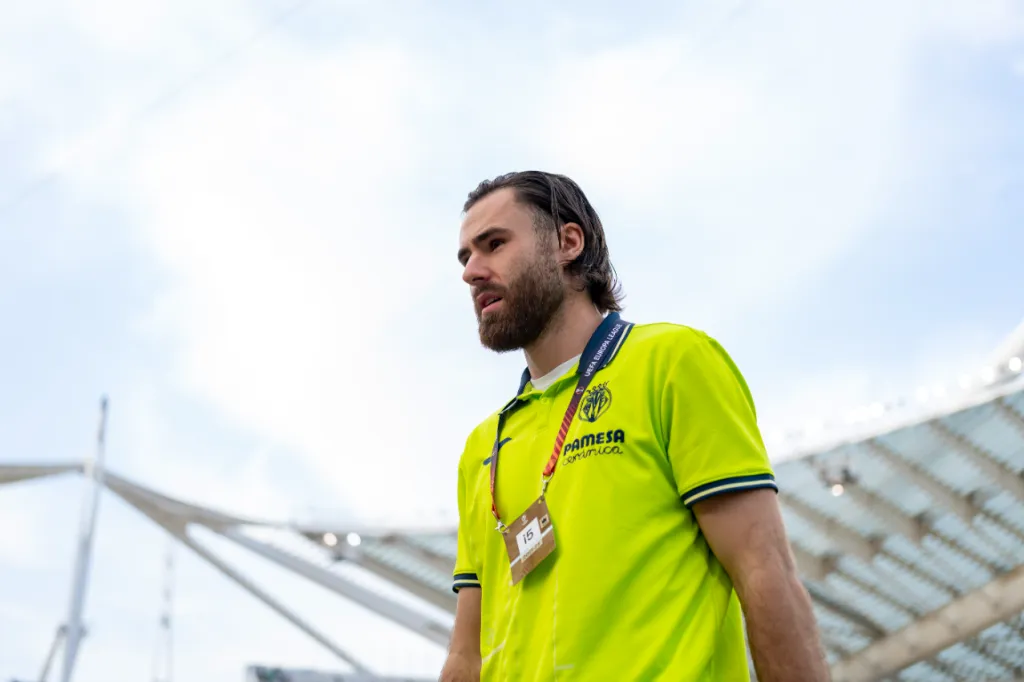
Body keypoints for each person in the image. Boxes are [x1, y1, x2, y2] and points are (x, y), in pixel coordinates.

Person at [441, 171, 829, 682]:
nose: (472, 271)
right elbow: (468, 654)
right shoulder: (482, 446)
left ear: (568, 242)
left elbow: (765, 573)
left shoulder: (672, 362)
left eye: (493, 244)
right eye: (465, 257)